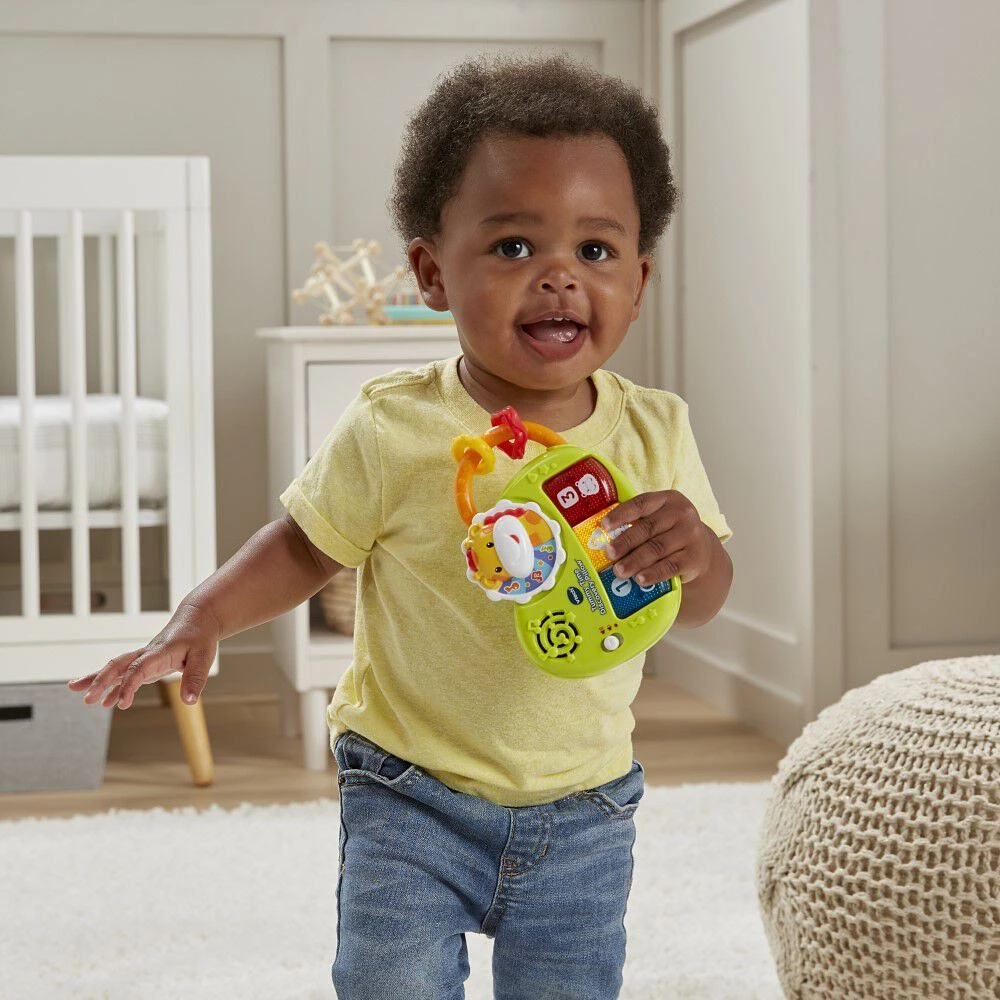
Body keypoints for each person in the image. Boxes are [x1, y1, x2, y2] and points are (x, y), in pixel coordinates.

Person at [70, 51, 733, 1000]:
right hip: (408, 791)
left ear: (639, 275)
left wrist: (697, 556)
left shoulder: (654, 430)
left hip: (586, 805)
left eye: (594, 251)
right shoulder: (396, 425)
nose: (557, 277)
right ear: (431, 271)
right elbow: (306, 543)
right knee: (387, 982)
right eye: (513, 248)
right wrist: (204, 614)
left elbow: (702, 602)